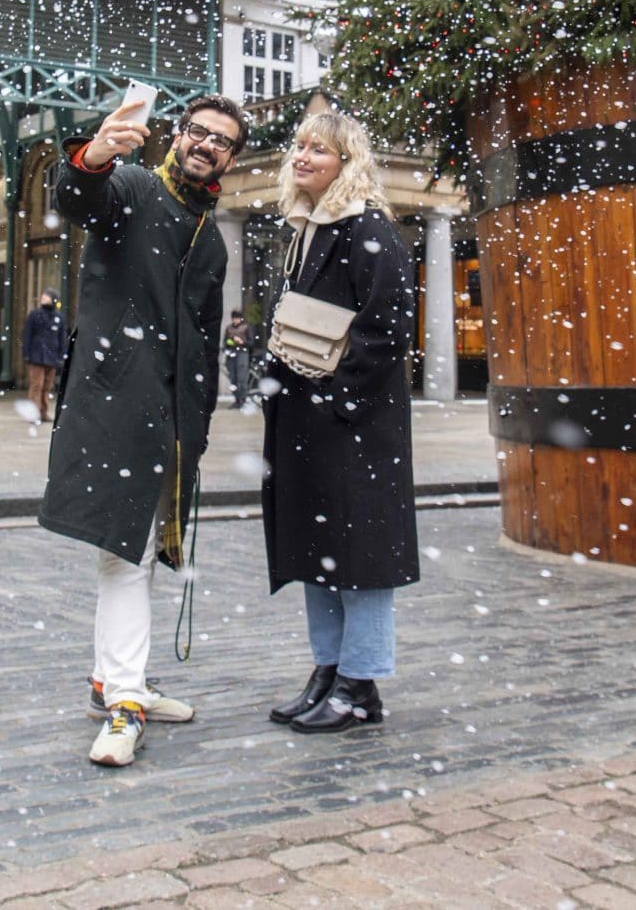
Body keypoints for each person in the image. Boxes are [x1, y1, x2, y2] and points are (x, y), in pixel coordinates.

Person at [38, 91, 248, 767]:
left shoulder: (210, 238)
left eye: (222, 139)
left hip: (173, 422)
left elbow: (205, 345)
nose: (206, 143)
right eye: (197, 130)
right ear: (177, 134)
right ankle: (125, 703)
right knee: (124, 554)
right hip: (115, 407)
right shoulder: (131, 187)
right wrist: (94, 155)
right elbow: (78, 196)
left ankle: (112, 678)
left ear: (230, 158)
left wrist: (201, 429)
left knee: (145, 550)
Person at [260, 112, 419, 732]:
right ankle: (328, 671)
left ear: (346, 161)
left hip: (354, 428)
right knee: (317, 549)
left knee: (359, 556)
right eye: (299, 146)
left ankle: (360, 685)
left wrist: (339, 401)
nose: (302, 157)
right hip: (309, 420)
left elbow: (386, 330)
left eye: (318, 150)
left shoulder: (366, 227)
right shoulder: (305, 228)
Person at [21, 287, 67, 423]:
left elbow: (61, 338)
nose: (44, 298)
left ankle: (43, 412)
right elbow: (27, 335)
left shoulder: (59, 317)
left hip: (51, 356)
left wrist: (61, 356)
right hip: (37, 355)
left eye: (47, 296)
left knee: (47, 386)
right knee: (37, 385)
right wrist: (26, 353)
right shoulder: (35, 315)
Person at [223, 309, 254, 410]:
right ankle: (237, 400)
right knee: (233, 379)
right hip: (232, 354)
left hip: (242, 353)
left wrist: (241, 342)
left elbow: (251, 343)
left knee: (242, 379)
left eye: (237, 318)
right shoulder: (228, 328)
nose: (235, 320)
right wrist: (231, 341)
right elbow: (225, 343)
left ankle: (243, 400)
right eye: (234, 318)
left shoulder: (246, 327)